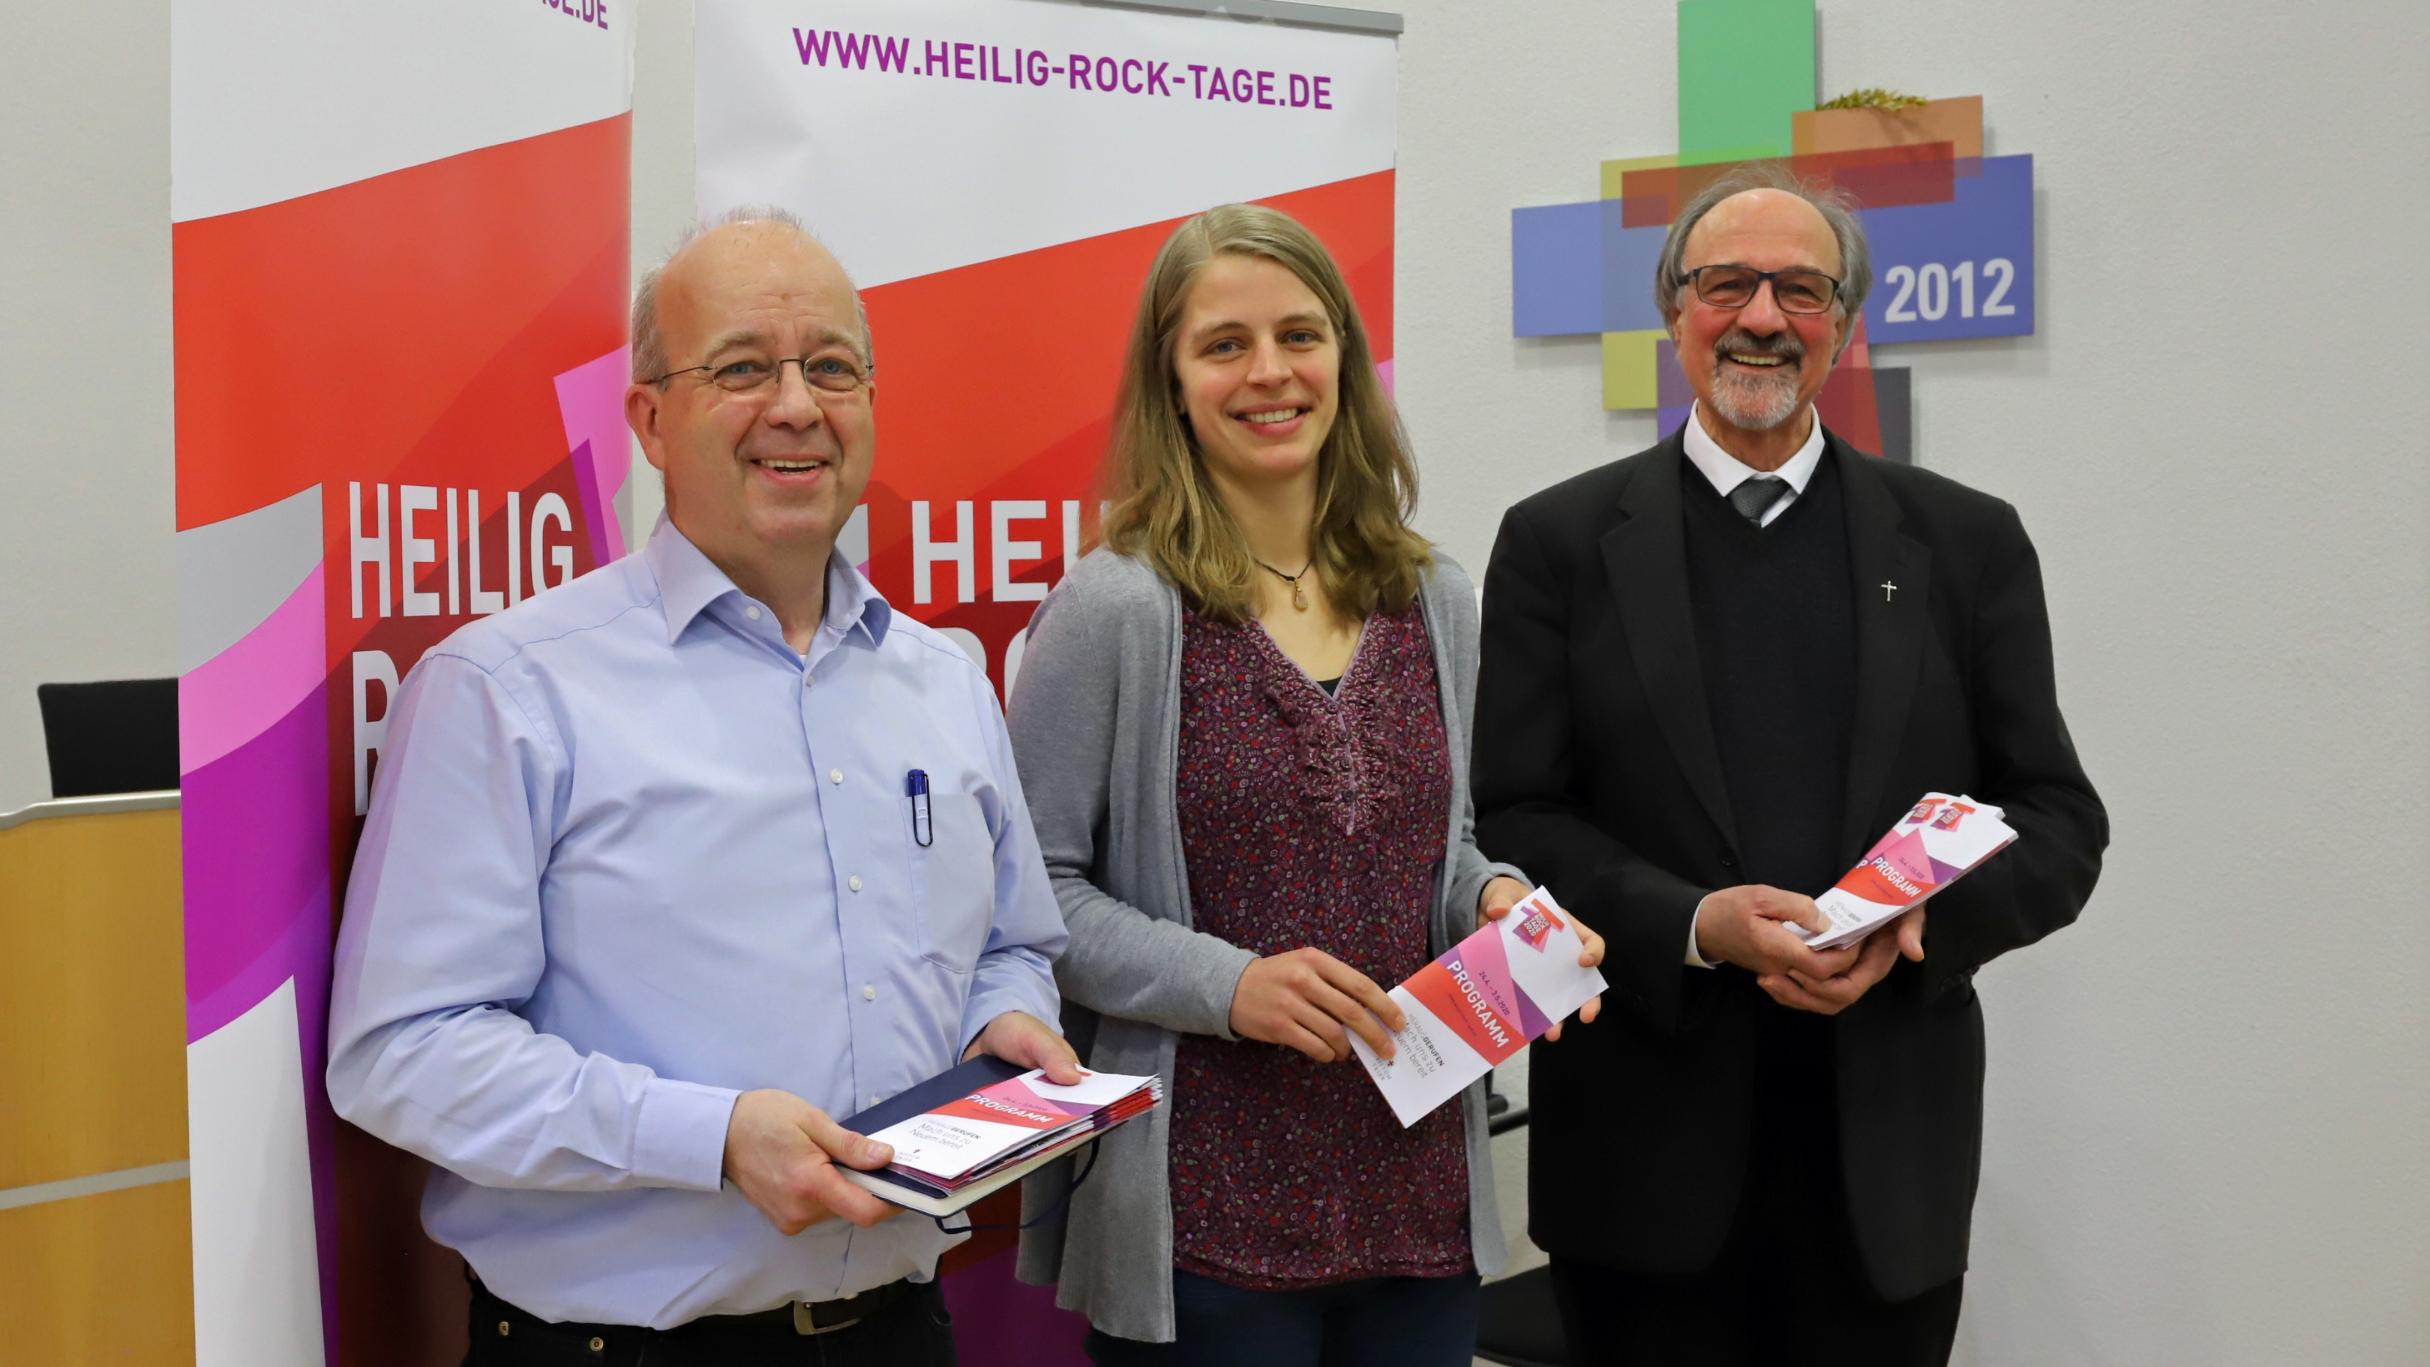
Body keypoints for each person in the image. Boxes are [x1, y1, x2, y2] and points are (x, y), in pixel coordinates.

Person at [326, 208, 1080, 1367]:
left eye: (831, 367)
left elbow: (1014, 942)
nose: (795, 405)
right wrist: (713, 1137)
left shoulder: (946, 678)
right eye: (740, 368)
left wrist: (1003, 1019)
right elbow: (402, 1051)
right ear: (650, 418)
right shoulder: (510, 688)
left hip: (899, 1332)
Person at [1472, 164, 2108, 1367]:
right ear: (1675, 312)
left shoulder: (1966, 542)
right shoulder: (1556, 543)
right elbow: (1513, 814)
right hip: (1638, 1170)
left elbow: (2059, 817)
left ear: (1844, 328)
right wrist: (1696, 920)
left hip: (1887, 1177)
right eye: (1727, 284)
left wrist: (1917, 922)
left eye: (1801, 290)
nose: (1763, 316)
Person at [1006, 202, 1603, 1366]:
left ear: (1347, 358)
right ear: (1171, 381)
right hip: (1205, 1228)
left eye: (1300, 334)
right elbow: (1036, 899)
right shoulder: (1118, 606)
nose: (1269, 372)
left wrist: (1498, 901)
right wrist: (1230, 983)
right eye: (1224, 344)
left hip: (1417, 1208)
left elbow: (1450, 843)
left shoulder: (1431, 593)